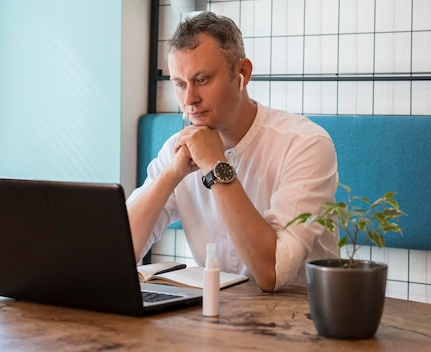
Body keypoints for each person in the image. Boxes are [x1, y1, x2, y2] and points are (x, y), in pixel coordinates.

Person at [126, 11, 338, 292]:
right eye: (180, 84)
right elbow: (118, 252)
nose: (189, 100)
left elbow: (271, 272)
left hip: (302, 319)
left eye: (202, 80)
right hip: (216, 314)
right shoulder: (177, 149)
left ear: (242, 73)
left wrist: (216, 165)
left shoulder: (305, 144)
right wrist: (172, 174)